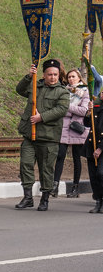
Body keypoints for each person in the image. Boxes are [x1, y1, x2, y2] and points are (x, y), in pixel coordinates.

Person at [15, 59, 70, 211]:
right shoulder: (35, 85)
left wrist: (41, 117)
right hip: (29, 136)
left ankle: (45, 199)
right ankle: (27, 198)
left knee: (46, 169)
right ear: (44, 75)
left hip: (48, 137)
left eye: (55, 74)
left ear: (59, 75)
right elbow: (20, 90)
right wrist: (28, 76)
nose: (53, 77)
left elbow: (61, 109)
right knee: (25, 165)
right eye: (49, 74)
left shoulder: (63, 91)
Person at [50, 68, 89, 197]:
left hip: (76, 128)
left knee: (76, 158)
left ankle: (75, 188)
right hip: (63, 127)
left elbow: (83, 111)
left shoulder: (84, 91)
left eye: (73, 76)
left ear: (79, 78)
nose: (71, 79)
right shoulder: (64, 91)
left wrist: (67, 108)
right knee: (60, 156)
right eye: (69, 77)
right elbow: (59, 109)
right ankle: (54, 186)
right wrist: (71, 109)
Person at [81, 88, 103, 213]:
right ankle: (98, 201)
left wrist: (100, 148)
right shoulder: (96, 106)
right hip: (92, 145)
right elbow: (87, 124)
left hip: (101, 147)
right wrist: (89, 112)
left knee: (101, 173)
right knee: (94, 176)